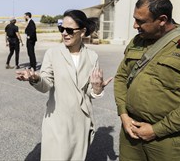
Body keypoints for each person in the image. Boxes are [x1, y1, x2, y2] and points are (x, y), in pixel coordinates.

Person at [114, 0, 180, 161]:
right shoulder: (137, 42)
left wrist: (155, 130)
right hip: (130, 133)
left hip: (168, 140)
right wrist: (123, 114)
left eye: (141, 21)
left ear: (162, 19)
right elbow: (121, 78)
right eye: (135, 19)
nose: (134, 25)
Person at [16, 9, 113, 160]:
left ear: (82, 32)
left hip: (81, 121)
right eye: (62, 28)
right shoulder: (53, 53)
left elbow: (89, 91)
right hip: (57, 121)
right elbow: (46, 84)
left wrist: (97, 89)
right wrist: (35, 78)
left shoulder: (92, 57)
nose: (64, 33)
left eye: (69, 30)